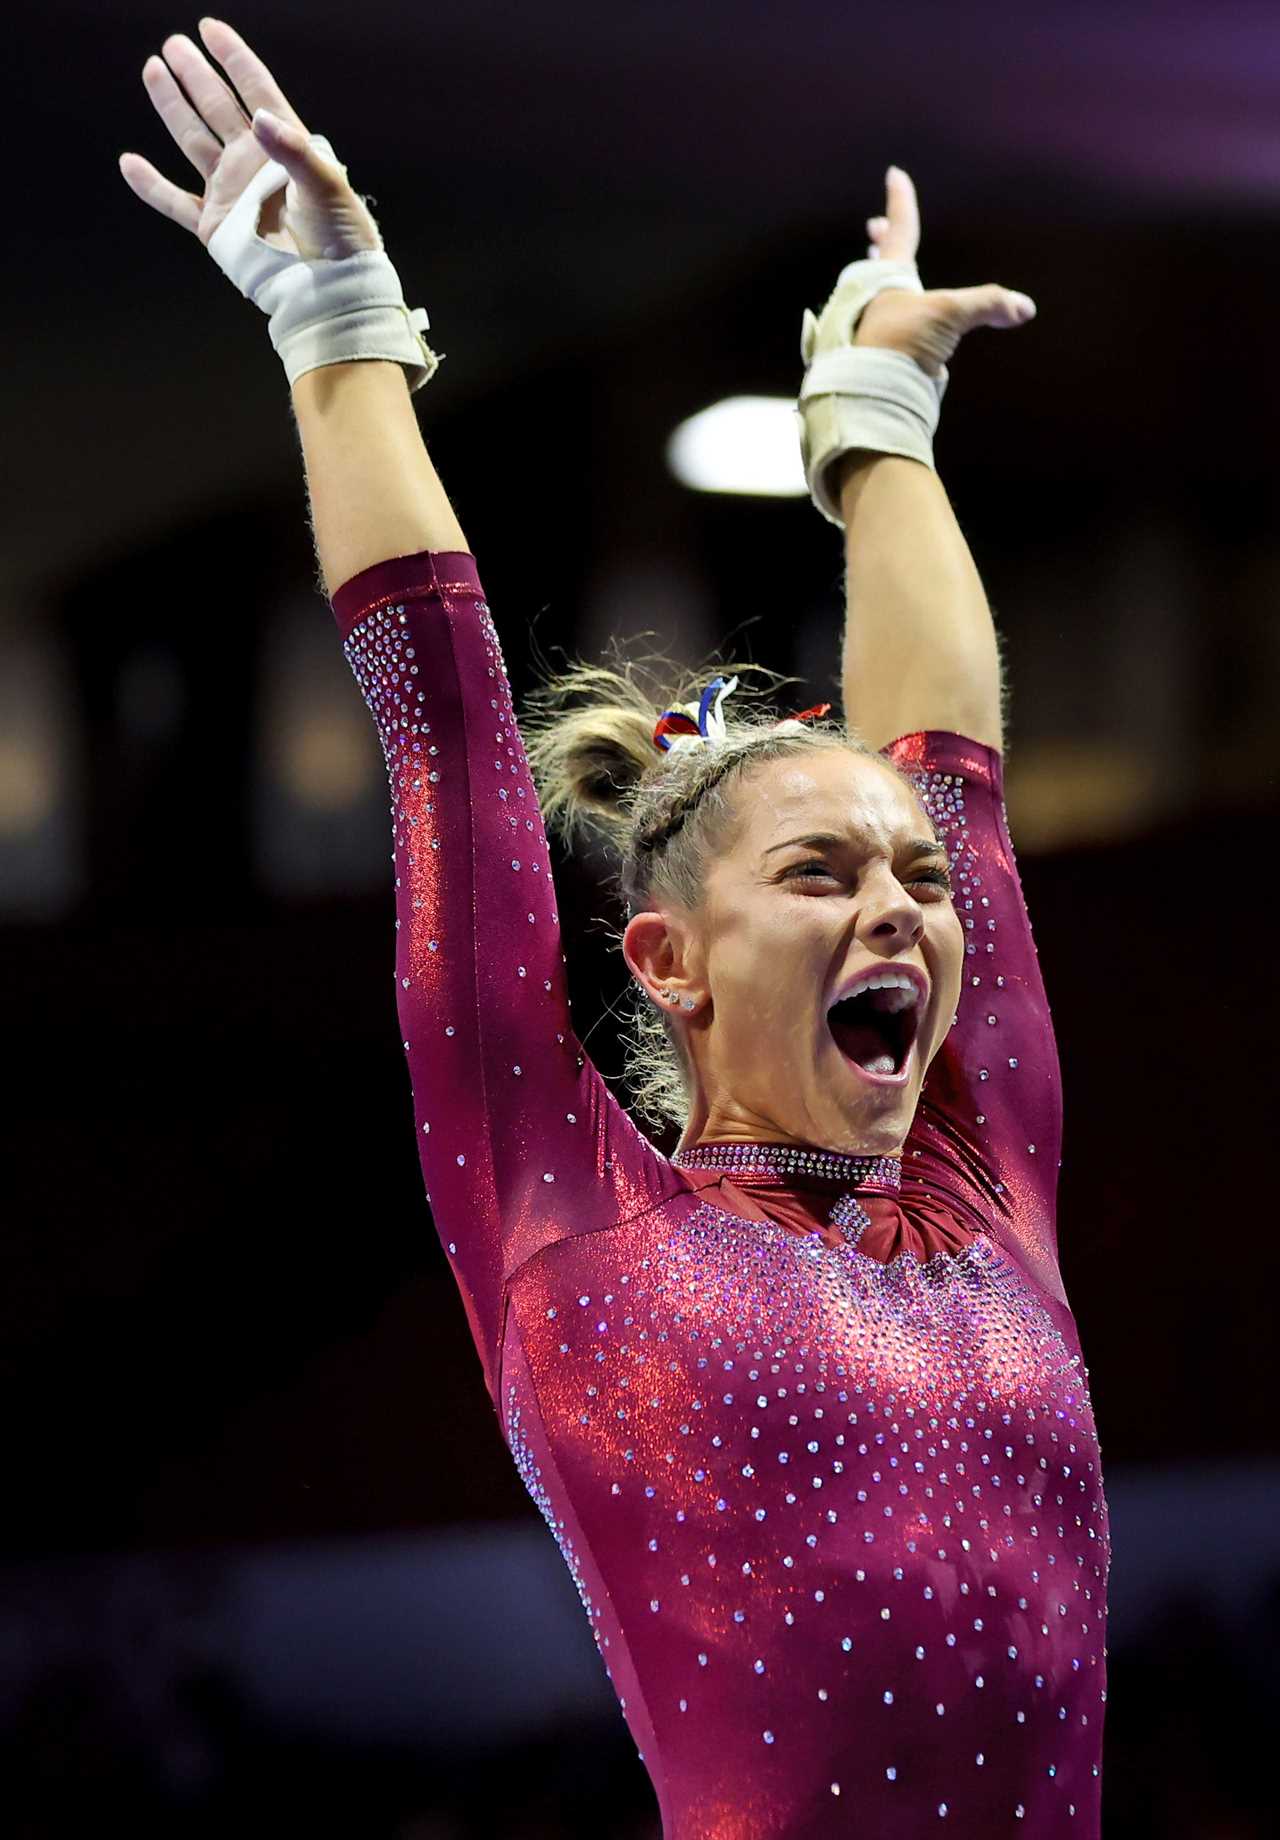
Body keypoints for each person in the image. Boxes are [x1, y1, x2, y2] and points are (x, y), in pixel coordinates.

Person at [121, 20, 1110, 1835]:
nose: (898, 904)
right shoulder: (575, 1216)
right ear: (665, 961)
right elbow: (450, 747)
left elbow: (951, 774)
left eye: (907, 884)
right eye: (819, 877)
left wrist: (883, 423)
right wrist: (337, 339)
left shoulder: (986, 1192)